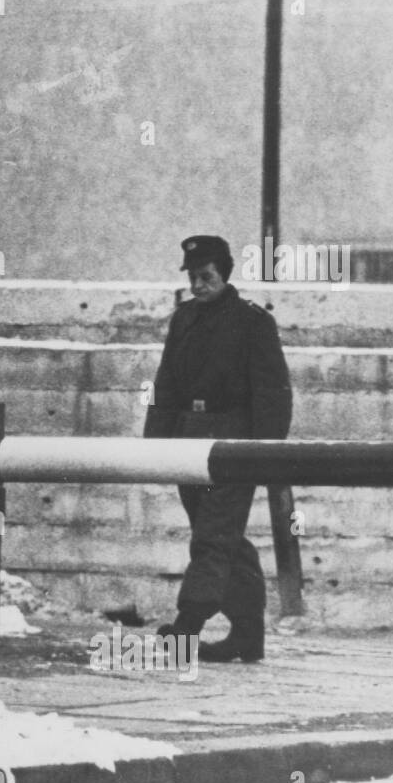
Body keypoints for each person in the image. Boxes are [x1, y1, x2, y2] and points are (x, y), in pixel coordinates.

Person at [142, 235, 293, 662]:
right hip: (187, 437)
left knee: (212, 537)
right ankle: (248, 635)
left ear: (224, 274)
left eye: (206, 276)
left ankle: (187, 624)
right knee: (224, 539)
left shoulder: (252, 322)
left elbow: (273, 391)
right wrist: (155, 445)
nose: (198, 285)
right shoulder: (183, 319)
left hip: (233, 440)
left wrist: (265, 451)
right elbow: (166, 383)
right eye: (192, 277)